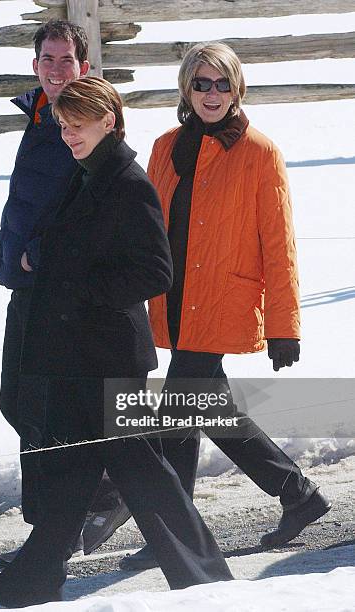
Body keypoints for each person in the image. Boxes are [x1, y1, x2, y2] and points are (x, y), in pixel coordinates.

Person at [0, 76, 234, 608]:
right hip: (79, 353)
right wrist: (40, 256)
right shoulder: (86, 175)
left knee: (140, 468)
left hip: (109, 355)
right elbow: (78, 243)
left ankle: (207, 579)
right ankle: (36, 576)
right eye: (62, 126)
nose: (68, 135)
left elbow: (154, 272)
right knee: (75, 469)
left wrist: (76, 284)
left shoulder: (128, 183)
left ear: (107, 122)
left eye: (76, 126)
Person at [118, 42, 331, 570]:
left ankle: (173, 531)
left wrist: (285, 325)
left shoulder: (260, 152)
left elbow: (280, 246)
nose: (211, 94)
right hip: (173, 298)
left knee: (176, 410)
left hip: (223, 300)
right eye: (201, 83)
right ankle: (297, 494)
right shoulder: (166, 146)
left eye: (222, 83)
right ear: (186, 90)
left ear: (237, 88)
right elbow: (147, 229)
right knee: (201, 407)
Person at [0, 19, 127, 565]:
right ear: (34, 66)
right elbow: (29, 201)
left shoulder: (84, 124)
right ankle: (99, 498)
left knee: (45, 413)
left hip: (59, 296)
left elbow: (96, 210)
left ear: (84, 67)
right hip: (25, 287)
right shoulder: (40, 118)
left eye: (65, 60)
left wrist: (42, 256)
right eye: (46, 59)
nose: (54, 69)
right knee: (18, 403)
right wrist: (5, 251)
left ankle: (54, 530)